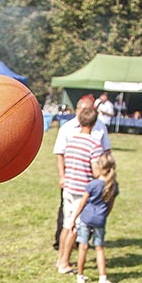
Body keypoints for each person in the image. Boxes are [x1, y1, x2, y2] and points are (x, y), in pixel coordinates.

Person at [52, 96, 112, 254]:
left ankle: (66, 254)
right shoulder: (70, 130)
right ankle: (64, 257)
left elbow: (107, 151)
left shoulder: (82, 136)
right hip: (81, 186)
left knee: (69, 223)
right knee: (74, 224)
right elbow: (60, 154)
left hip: (74, 183)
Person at [56, 105, 104, 274]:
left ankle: (60, 259)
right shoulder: (95, 144)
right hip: (82, 191)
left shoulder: (72, 140)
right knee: (75, 227)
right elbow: (96, 171)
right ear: (94, 123)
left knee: (66, 225)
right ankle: (64, 263)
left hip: (68, 188)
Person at [72, 152, 120, 283]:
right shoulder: (113, 186)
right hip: (100, 220)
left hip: (86, 218)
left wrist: (74, 219)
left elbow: (82, 203)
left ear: (100, 167)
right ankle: (102, 277)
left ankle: (80, 275)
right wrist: (104, 216)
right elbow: (110, 206)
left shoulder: (93, 184)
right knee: (99, 248)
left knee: (83, 246)